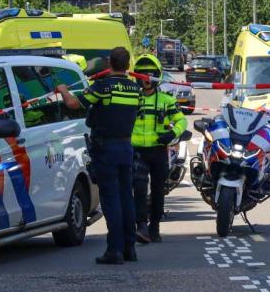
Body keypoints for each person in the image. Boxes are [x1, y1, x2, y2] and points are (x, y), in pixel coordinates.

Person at [60, 46, 142, 265]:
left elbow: (74, 104)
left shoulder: (103, 87)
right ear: (127, 65)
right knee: (126, 198)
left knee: (111, 199)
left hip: (106, 149)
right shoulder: (135, 90)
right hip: (126, 147)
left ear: (109, 63)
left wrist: (63, 90)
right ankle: (129, 248)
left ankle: (114, 250)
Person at [129, 54, 186, 244]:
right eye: (142, 74)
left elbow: (181, 120)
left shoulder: (166, 100)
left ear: (157, 75)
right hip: (137, 152)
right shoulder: (131, 99)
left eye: (150, 74)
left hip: (159, 151)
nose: (146, 78)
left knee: (158, 191)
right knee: (138, 187)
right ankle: (141, 226)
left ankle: (155, 227)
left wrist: (173, 134)